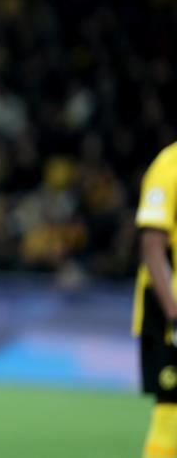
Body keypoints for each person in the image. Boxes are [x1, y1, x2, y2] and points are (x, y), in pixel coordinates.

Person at [133, 141, 177, 458]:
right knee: (171, 410)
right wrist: (173, 312)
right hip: (166, 314)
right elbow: (152, 244)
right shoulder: (169, 166)